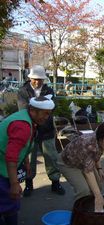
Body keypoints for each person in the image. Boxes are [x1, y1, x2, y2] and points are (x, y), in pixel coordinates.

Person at [0, 95, 55, 225]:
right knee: (10, 203)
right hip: (2, 169)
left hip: (6, 167)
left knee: (10, 203)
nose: (47, 118)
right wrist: (14, 184)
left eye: (49, 114)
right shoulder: (23, 126)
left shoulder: (25, 116)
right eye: (45, 114)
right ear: (33, 110)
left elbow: (23, 146)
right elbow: (11, 156)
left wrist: (26, 163)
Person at [17, 65, 65, 196]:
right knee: (30, 158)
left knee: (51, 157)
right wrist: (43, 109)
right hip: (30, 129)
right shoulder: (23, 91)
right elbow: (24, 109)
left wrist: (38, 109)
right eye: (35, 79)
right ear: (30, 78)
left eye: (40, 79)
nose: (38, 82)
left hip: (47, 129)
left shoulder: (49, 90)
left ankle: (55, 182)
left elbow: (52, 107)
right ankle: (29, 184)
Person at [57, 121, 104, 212]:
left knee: (97, 185)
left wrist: (99, 169)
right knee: (83, 191)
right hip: (68, 163)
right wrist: (99, 197)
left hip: (83, 160)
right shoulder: (89, 144)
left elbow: (96, 155)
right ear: (102, 135)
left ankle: (90, 208)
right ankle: (78, 214)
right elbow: (88, 172)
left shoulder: (100, 139)